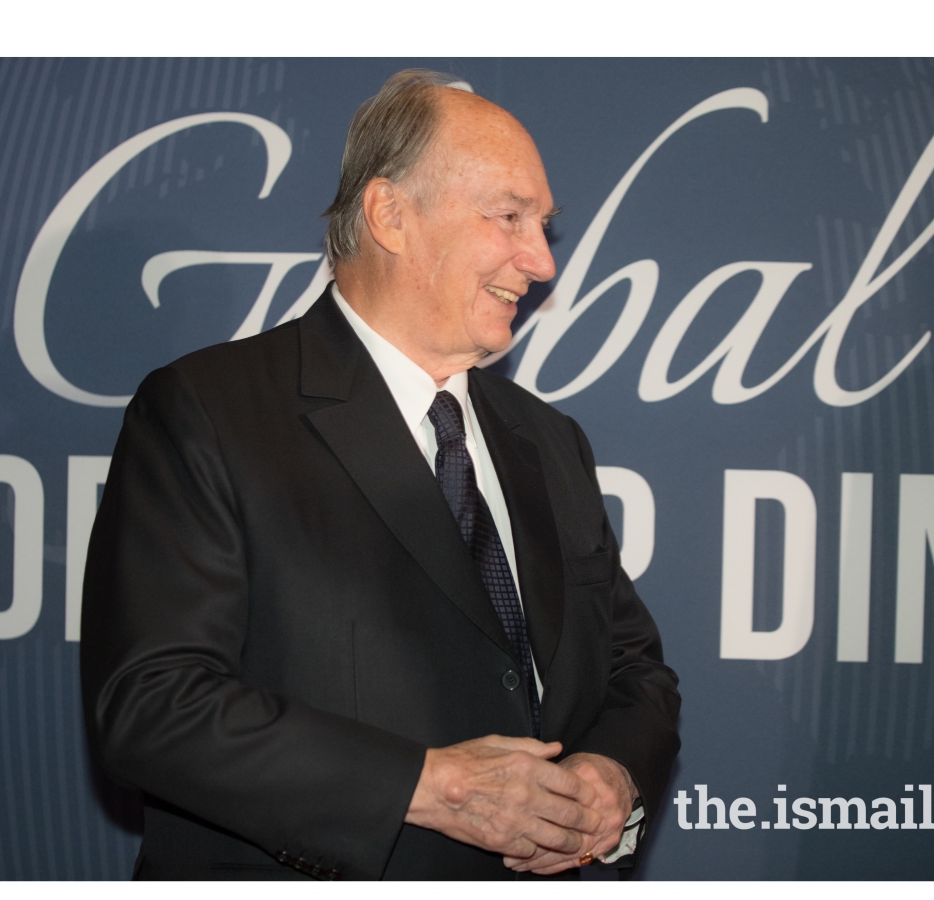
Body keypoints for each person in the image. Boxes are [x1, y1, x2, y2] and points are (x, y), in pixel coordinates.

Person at [80, 69, 680, 880]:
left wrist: (612, 777)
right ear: (390, 215)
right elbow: (152, 705)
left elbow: (635, 672)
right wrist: (430, 786)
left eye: (544, 225)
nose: (540, 262)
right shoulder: (209, 413)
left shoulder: (549, 441)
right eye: (509, 217)